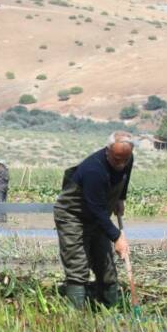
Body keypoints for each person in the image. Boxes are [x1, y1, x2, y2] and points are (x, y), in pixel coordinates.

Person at [53, 132, 135, 309]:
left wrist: (121, 197)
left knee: (105, 265)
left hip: (98, 216)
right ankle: (77, 316)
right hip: (73, 216)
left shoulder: (127, 157)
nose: (121, 165)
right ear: (108, 151)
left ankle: (109, 308)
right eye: (116, 160)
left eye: (125, 160)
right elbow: (96, 209)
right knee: (78, 266)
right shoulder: (94, 170)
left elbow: (124, 177)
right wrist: (117, 237)